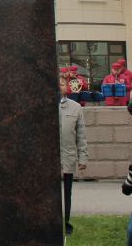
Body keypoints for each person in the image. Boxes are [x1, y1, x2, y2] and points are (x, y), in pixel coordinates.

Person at [59, 75, 88, 236]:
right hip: (49, 159)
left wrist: (82, 158)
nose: (59, 87)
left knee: (67, 192)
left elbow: (81, 136)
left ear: (66, 87)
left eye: (62, 85)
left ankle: (66, 222)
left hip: (68, 157)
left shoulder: (75, 108)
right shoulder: (45, 105)